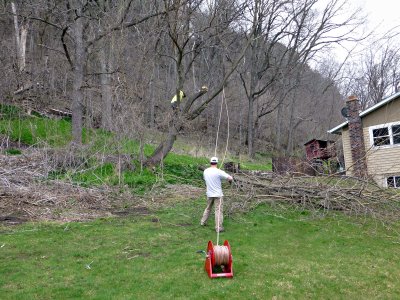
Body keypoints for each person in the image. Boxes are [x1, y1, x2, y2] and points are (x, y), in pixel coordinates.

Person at [201, 157, 233, 233]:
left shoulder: (205, 171)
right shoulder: (219, 171)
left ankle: (203, 222)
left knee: (208, 208)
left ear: (210, 162)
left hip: (209, 193)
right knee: (218, 210)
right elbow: (230, 178)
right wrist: (229, 181)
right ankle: (218, 227)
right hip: (218, 194)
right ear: (217, 163)